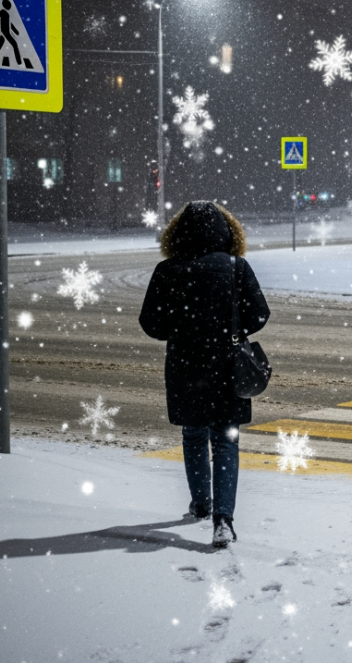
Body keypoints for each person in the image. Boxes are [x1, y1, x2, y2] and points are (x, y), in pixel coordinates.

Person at [140, 202, 270, 549]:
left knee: (194, 434)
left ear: (177, 234)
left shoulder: (167, 270)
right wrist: (230, 327)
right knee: (225, 440)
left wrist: (183, 329)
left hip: (185, 366)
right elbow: (259, 315)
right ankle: (223, 520)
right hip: (227, 366)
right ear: (228, 232)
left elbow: (151, 324)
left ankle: (201, 504)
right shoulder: (236, 267)